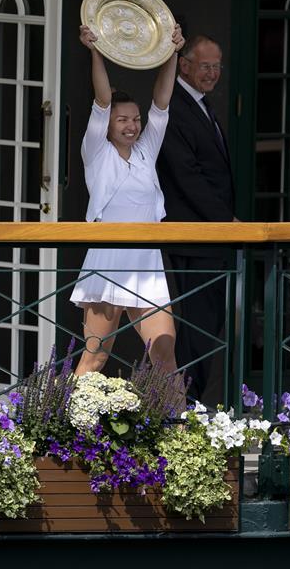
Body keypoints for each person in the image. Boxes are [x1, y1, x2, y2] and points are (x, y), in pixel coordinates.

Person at [70, 23, 185, 380]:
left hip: (147, 260)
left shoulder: (146, 152)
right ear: (107, 125)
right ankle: (60, 428)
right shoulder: (97, 151)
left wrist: (173, 52)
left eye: (135, 119)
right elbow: (102, 99)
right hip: (108, 258)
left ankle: (180, 433)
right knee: (95, 359)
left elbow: (162, 103)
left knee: (165, 353)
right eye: (122, 120)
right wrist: (95, 51)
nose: (132, 125)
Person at [156, 35, 236, 405]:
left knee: (206, 324)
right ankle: (190, 404)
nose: (213, 73)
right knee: (198, 326)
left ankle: (192, 402)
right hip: (196, 235)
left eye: (217, 65)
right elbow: (186, 175)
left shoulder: (200, 105)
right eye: (206, 65)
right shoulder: (176, 106)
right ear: (184, 65)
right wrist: (225, 221)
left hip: (210, 235)